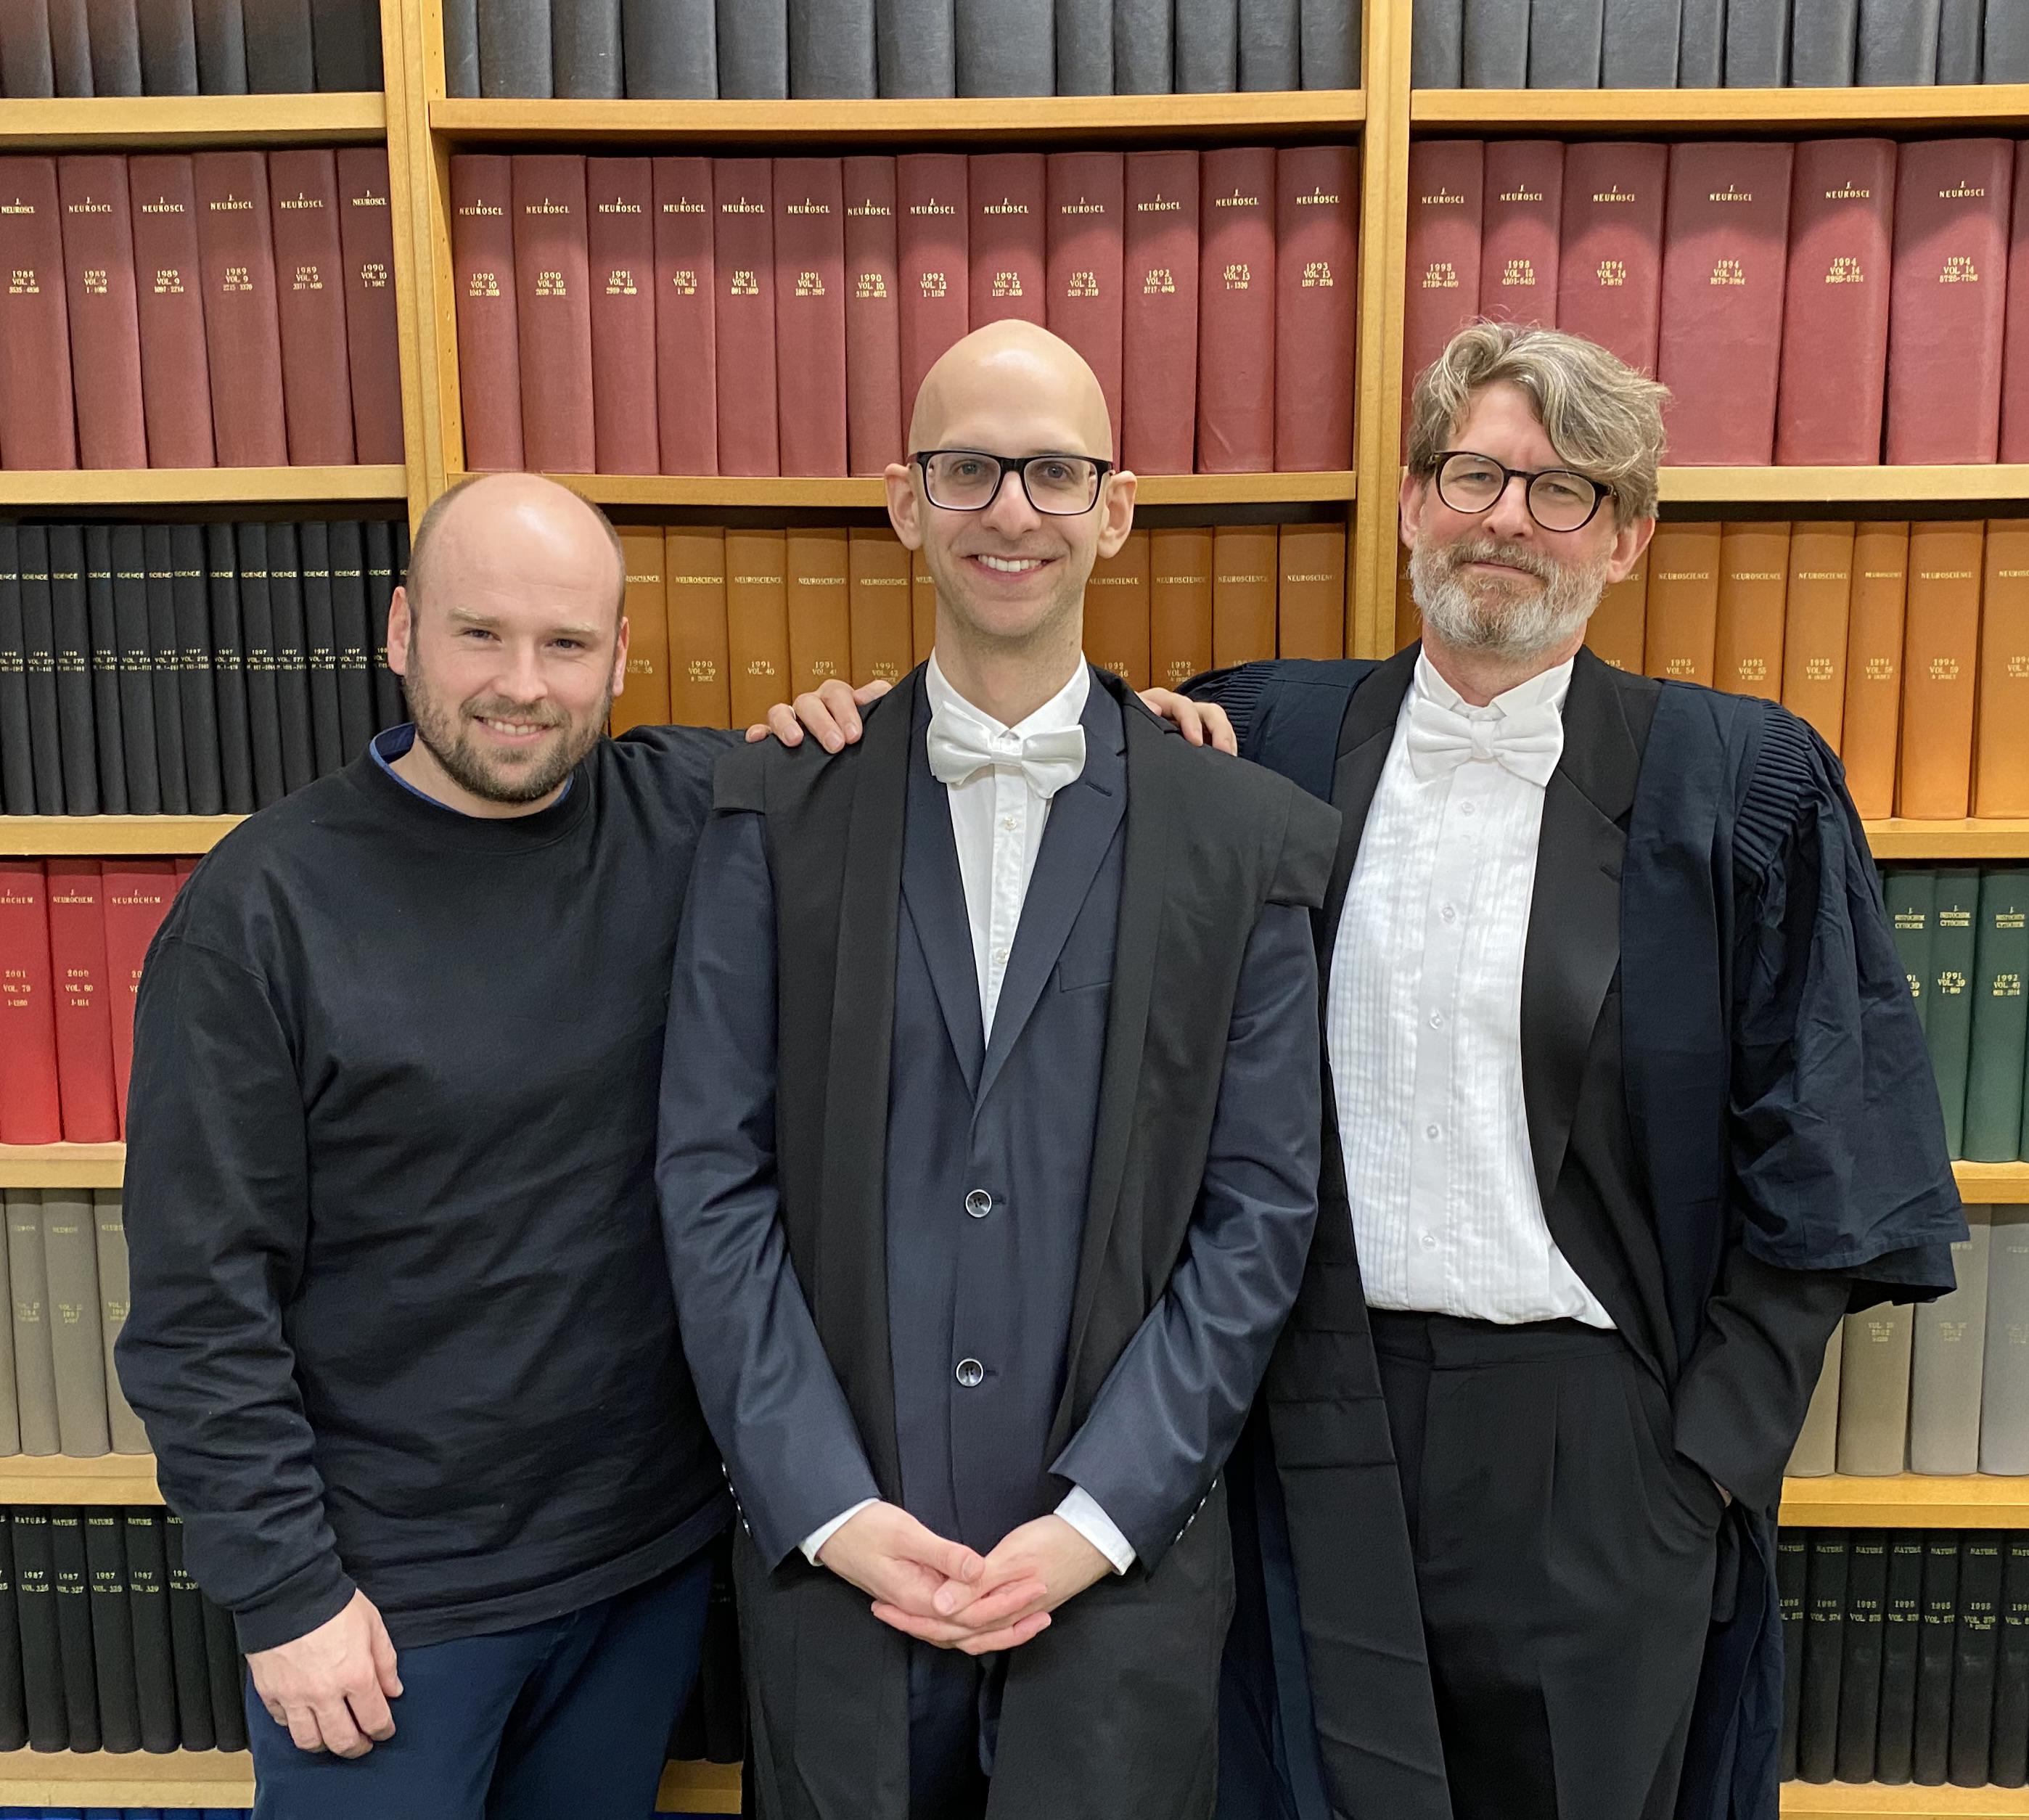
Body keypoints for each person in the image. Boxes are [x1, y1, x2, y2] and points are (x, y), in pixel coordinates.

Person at [657, 321, 1444, 1820]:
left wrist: (1104, 1516)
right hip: (837, 1578)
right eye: (968, 470)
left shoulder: (1244, 831)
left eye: (1052, 473)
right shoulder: (776, 805)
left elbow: (1259, 1215)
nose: (1011, 510)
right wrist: (822, 1504)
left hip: (1119, 1585)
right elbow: (710, 1177)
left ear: (1115, 509)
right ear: (904, 503)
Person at [1181, 320, 1964, 1820]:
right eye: (1475, 473)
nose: (1508, 519)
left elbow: (1834, 1143)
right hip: (1297, 1423)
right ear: (1412, 501)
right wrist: (839, 731)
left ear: (1629, 536)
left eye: (1565, 491)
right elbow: (1024, 781)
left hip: (1595, 1452)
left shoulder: (1738, 784)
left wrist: (1701, 1472)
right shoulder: (1260, 741)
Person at [115, 472, 898, 1819]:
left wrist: (1183, 723)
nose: (522, 686)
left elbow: (977, 757)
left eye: (566, 644)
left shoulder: (695, 812)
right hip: (384, 1611)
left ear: (620, 659)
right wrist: (286, 1592)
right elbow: (197, 1305)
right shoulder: (260, 911)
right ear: (401, 629)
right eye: (480, 635)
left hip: (641, 1569)